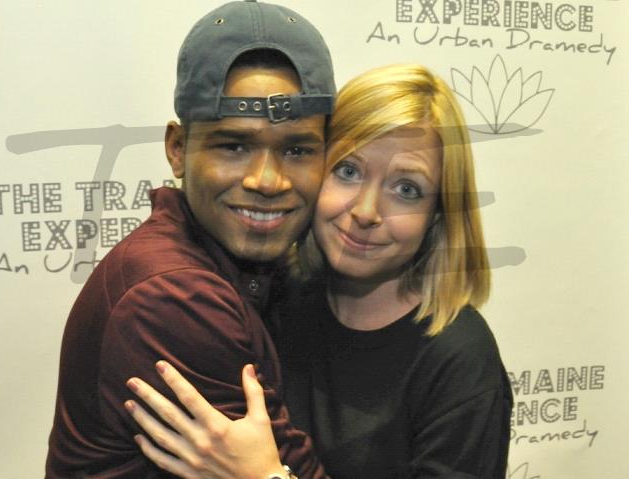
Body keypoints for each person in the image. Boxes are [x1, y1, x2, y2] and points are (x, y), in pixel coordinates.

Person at [124, 64, 513, 478]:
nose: (365, 212)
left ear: (438, 215)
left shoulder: (459, 361)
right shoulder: (273, 298)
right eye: (348, 171)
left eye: (406, 189)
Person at [45, 1, 337, 477]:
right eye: (234, 145)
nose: (267, 180)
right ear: (178, 149)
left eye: (298, 149)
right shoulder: (175, 298)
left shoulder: (249, 267)